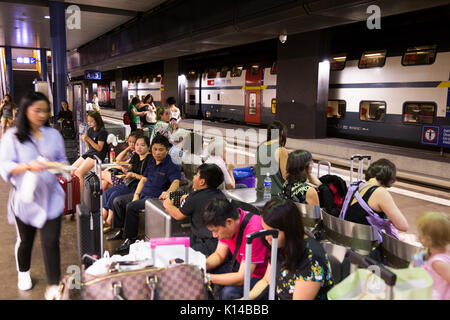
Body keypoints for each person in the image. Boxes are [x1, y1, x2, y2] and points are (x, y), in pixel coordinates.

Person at [0, 92, 68, 300]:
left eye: (45, 111)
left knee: (51, 241)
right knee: (26, 241)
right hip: (26, 199)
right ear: (25, 111)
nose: (42, 115)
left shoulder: (53, 135)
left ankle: (53, 286)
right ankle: (23, 271)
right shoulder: (12, 137)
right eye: (36, 110)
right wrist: (28, 166)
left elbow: (62, 160)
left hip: (52, 199)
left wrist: (61, 167)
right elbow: (5, 167)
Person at [246, 198, 334, 300]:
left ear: (289, 229)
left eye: (272, 233)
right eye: (265, 230)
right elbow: (266, 280)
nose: (266, 237)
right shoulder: (279, 244)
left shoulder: (312, 258)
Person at [110, 134, 181, 253]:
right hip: (143, 194)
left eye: (161, 149)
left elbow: (176, 182)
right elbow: (143, 179)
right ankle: (122, 231)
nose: (157, 152)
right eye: (155, 149)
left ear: (167, 150)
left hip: (155, 198)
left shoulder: (171, 164)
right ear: (151, 149)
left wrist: (168, 192)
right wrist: (136, 195)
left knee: (131, 207)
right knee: (118, 201)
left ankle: (131, 239)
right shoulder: (152, 161)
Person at [203, 198, 269, 300]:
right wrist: (200, 267)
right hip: (241, 264)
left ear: (229, 222)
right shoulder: (229, 222)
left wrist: (207, 278)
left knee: (228, 293)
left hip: (259, 275)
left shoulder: (253, 232)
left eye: (216, 231)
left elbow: (242, 277)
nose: (214, 235)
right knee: (208, 271)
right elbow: (219, 255)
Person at [163, 163, 227, 256]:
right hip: (217, 242)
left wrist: (167, 203)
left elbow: (178, 215)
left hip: (206, 243)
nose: (193, 177)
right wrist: (187, 198)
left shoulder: (194, 197)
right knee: (172, 240)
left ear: (202, 182)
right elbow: (198, 199)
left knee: (171, 249)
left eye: (196, 175)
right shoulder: (220, 194)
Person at [343, 158, 408, 232]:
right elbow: (403, 226)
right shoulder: (380, 192)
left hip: (346, 234)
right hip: (365, 240)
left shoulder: (355, 187)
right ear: (389, 178)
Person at [102, 136, 151, 230]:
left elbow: (146, 178)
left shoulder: (150, 159)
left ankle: (109, 221)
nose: (139, 147)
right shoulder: (136, 156)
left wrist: (133, 175)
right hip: (128, 183)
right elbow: (129, 166)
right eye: (137, 145)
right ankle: (103, 218)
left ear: (148, 147)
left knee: (114, 195)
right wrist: (125, 169)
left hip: (137, 187)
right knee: (106, 193)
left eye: (142, 145)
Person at [70, 111, 109, 193]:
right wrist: (85, 140)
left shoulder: (102, 132)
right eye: (88, 121)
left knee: (79, 172)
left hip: (97, 155)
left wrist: (88, 139)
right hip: (90, 152)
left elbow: (99, 148)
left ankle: (79, 197)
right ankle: (74, 193)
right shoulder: (90, 130)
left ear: (97, 120)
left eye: (91, 121)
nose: (89, 123)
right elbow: (89, 146)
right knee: (72, 170)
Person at [416, 211, 450, 300]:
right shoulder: (444, 251)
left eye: (420, 233)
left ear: (428, 239)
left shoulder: (438, 263)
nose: (418, 236)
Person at [255, 121, 289, 196]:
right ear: (282, 133)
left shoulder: (260, 147)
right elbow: (286, 175)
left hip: (260, 192)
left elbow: (256, 171)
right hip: (276, 194)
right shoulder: (281, 150)